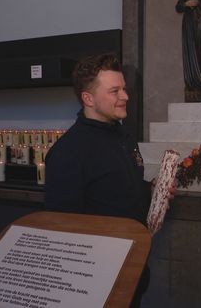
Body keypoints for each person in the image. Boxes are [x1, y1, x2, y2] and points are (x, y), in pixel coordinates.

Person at [44, 53, 161, 307]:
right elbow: (62, 230)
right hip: (96, 284)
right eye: (114, 91)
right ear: (88, 98)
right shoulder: (68, 152)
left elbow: (122, 191)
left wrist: (154, 191)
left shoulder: (123, 137)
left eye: (124, 89)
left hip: (133, 271)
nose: (125, 97)